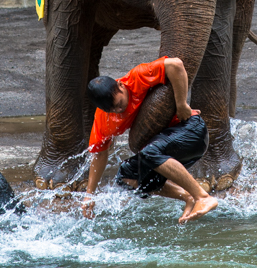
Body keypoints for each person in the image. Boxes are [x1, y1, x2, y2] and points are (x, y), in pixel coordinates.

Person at [83, 56, 218, 223]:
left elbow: (175, 64)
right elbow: (99, 154)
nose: (119, 110)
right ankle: (188, 197)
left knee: (148, 152)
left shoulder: (136, 78)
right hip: (167, 147)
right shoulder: (103, 118)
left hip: (191, 130)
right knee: (126, 177)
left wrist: (182, 104)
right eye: (112, 109)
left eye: (119, 103)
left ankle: (202, 197)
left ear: (120, 85)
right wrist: (89, 195)